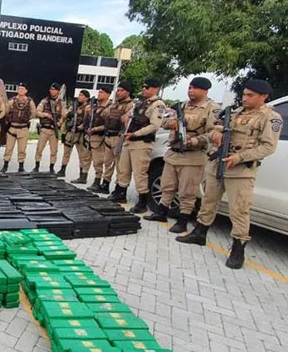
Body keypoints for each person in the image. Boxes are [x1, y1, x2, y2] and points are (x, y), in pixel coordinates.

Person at [177, 79, 282, 269]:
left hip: (241, 170)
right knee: (209, 200)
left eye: (250, 95)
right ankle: (200, 233)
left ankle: (238, 248)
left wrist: (240, 157)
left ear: (264, 97)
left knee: (239, 210)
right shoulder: (233, 112)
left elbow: (268, 146)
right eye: (244, 94)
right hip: (219, 163)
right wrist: (215, 134)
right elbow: (215, 127)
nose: (245, 98)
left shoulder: (270, 117)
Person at [144, 77, 219, 232]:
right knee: (167, 185)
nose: (191, 91)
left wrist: (195, 140)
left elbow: (213, 133)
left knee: (187, 191)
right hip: (174, 152)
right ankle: (161, 212)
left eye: (195, 88)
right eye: (190, 88)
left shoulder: (212, 109)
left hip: (193, 156)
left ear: (205, 91)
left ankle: (183, 220)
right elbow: (164, 121)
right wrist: (170, 124)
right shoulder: (181, 106)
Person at [109, 77, 164, 213]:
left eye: (147, 87)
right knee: (123, 169)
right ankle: (120, 193)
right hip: (129, 140)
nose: (143, 89)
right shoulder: (140, 103)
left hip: (141, 142)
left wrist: (136, 134)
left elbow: (155, 125)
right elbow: (127, 117)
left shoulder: (158, 105)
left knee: (140, 173)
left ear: (155, 89)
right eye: (143, 87)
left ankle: (142, 202)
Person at [103, 81, 135, 195]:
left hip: (119, 136)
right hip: (109, 135)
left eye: (122, 90)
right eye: (118, 90)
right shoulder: (114, 103)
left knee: (120, 165)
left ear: (128, 92)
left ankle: (119, 187)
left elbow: (127, 120)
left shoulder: (130, 104)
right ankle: (105, 183)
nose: (119, 92)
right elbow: (105, 114)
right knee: (107, 163)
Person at [59, 89, 92, 183]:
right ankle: (62, 170)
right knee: (66, 152)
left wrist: (80, 127)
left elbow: (87, 120)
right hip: (71, 132)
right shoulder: (74, 105)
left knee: (82, 155)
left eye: (82, 95)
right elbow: (64, 115)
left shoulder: (87, 107)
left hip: (81, 133)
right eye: (79, 95)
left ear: (86, 98)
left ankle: (82, 175)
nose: (79, 97)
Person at [1, 82, 36, 173]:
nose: (21, 90)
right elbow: (6, 111)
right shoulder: (12, 100)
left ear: (26, 91)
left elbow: (33, 113)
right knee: (8, 148)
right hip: (12, 127)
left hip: (23, 128)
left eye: (23, 89)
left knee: (22, 149)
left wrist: (25, 119)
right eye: (19, 88)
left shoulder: (29, 101)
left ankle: (21, 166)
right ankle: (5, 165)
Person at [34, 82, 66, 173]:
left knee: (54, 151)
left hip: (54, 130)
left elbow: (64, 116)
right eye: (51, 89)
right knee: (39, 149)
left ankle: (51, 168)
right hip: (44, 128)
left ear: (58, 91)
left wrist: (59, 123)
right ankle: (36, 166)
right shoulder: (45, 101)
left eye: (54, 90)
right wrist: (46, 115)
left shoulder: (61, 103)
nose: (52, 91)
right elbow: (37, 112)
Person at [87, 85, 113, 192]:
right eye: (99, 92)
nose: (99, 94)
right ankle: (97, 180)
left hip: (103, 136)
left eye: (101, 92)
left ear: (108, 94)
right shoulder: (95, 107)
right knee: (96, 161)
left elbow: (109, 124)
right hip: (94, 137)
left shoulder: (110, 107)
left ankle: (104, 183)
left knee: (105, 161)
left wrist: (96, 129)